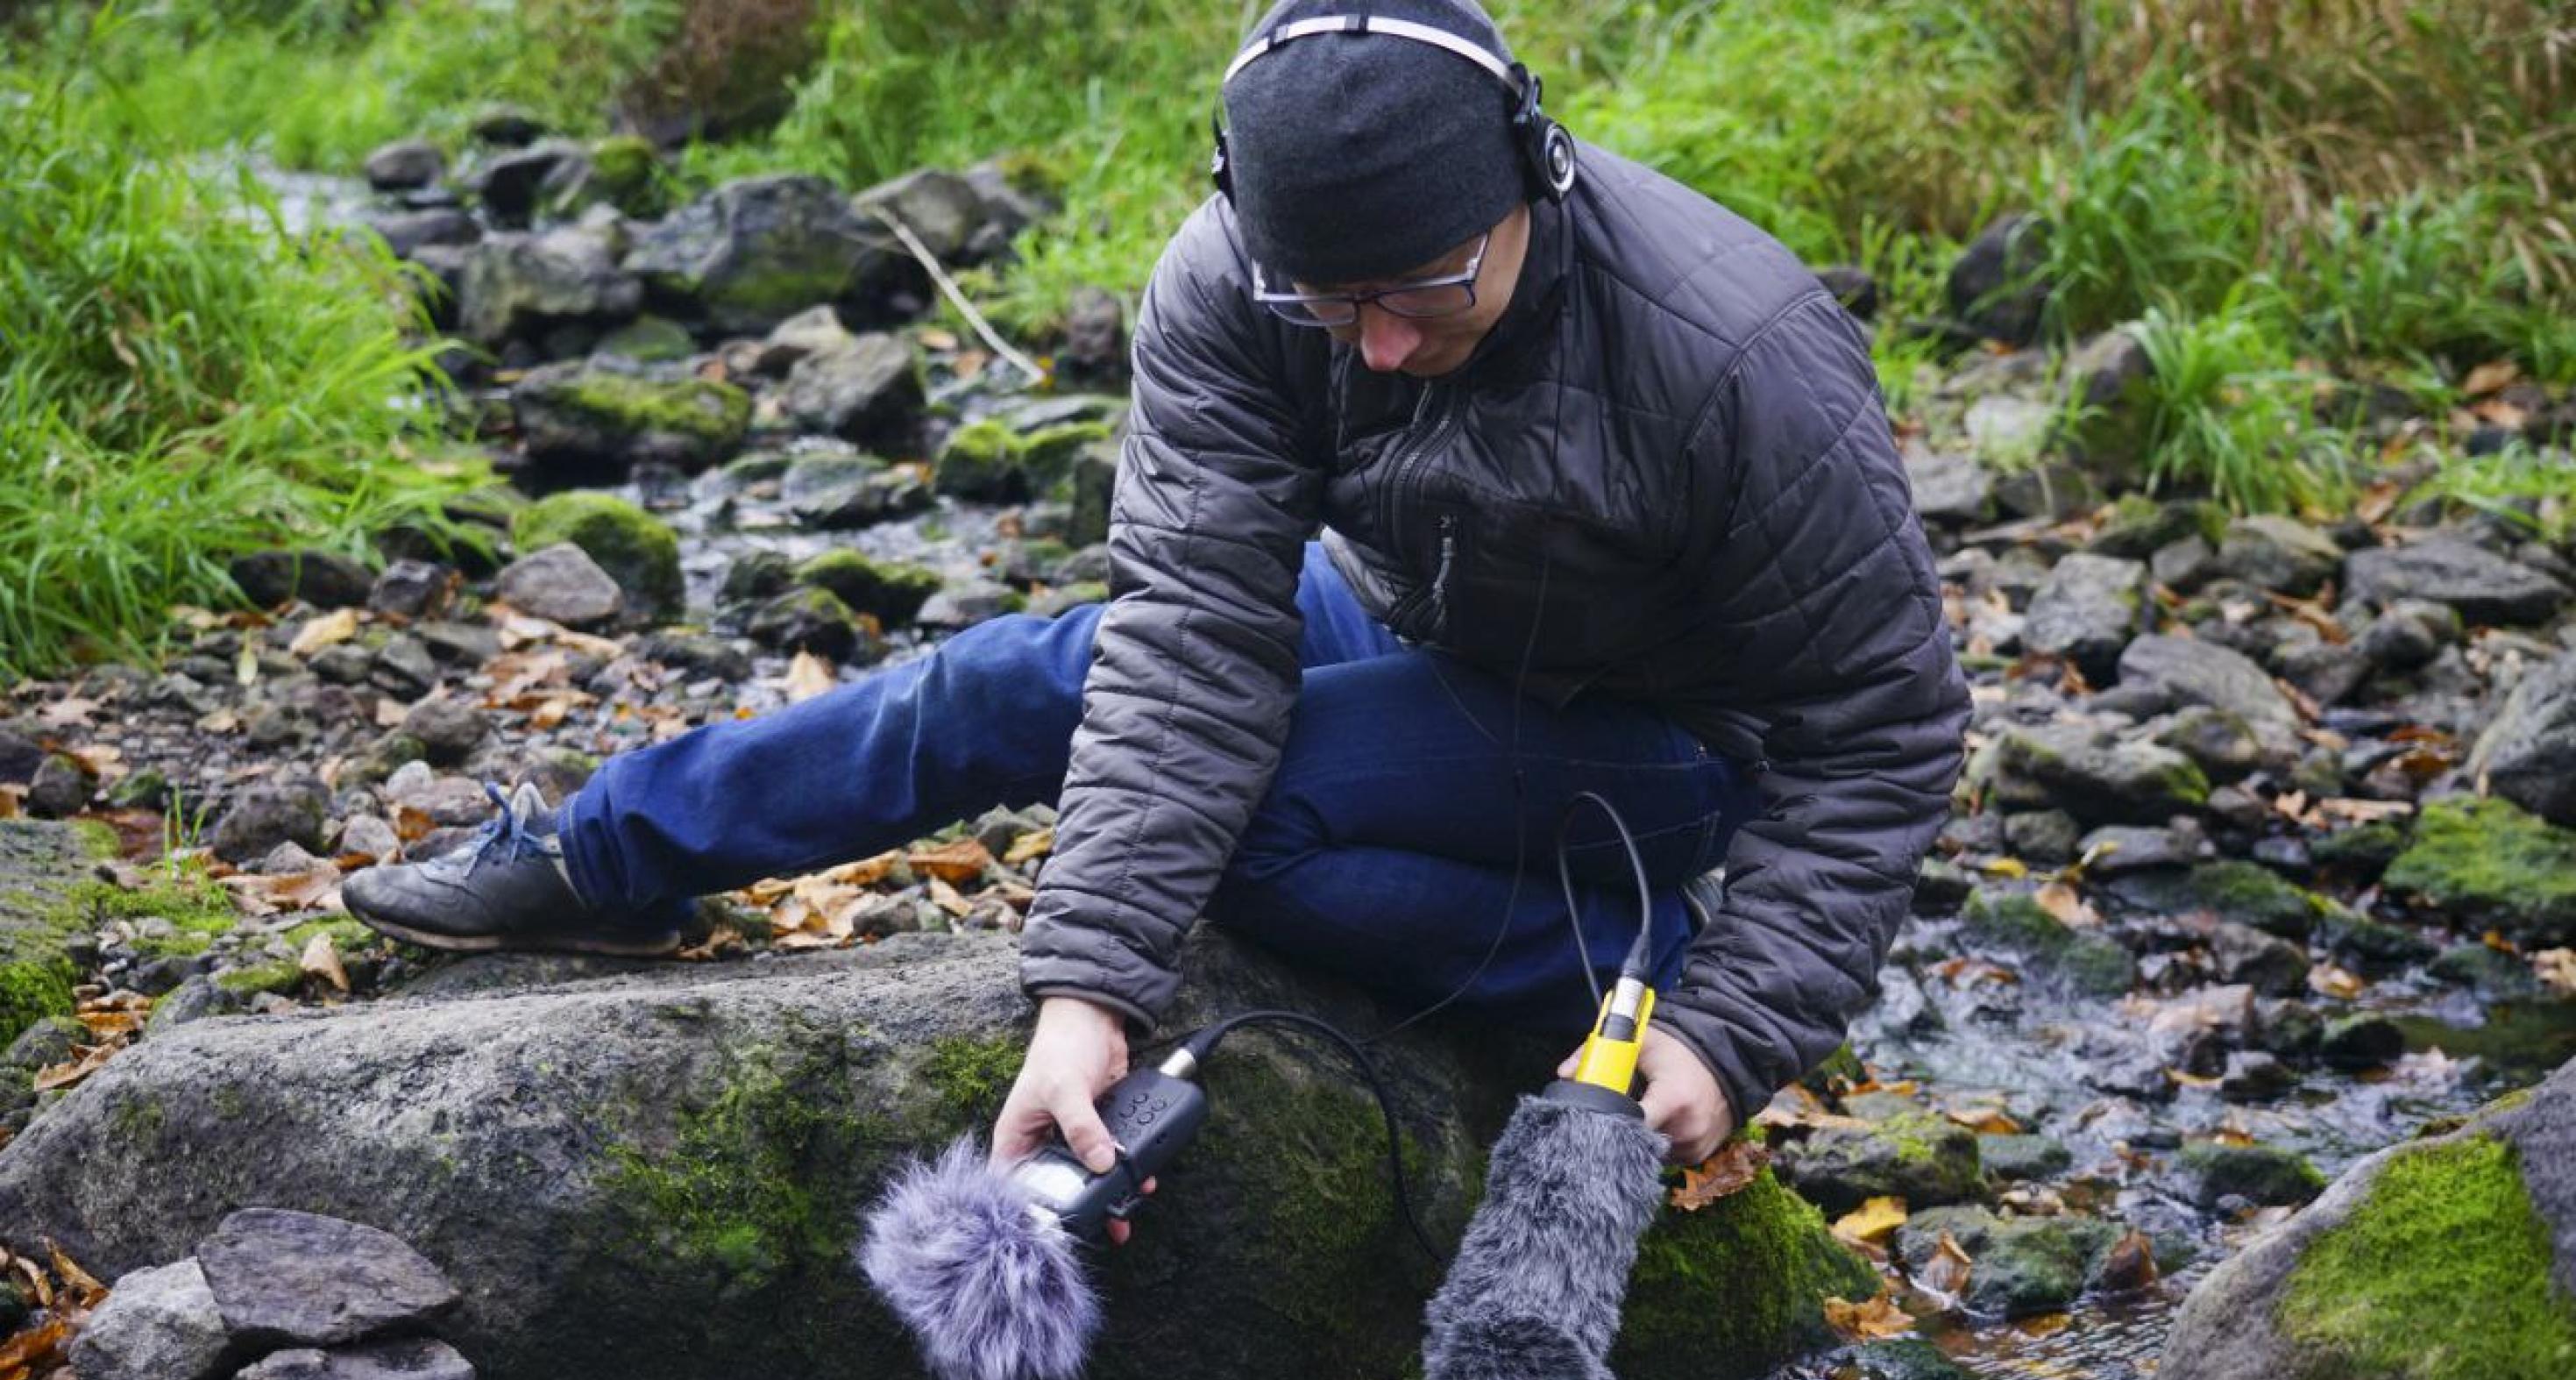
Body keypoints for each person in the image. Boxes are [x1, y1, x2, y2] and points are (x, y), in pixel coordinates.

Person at [345, 0, 1969, 1227]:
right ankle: (606, 858)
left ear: (1528, 182)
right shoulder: (1238, 281)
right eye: (1332, 307)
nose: (1378, 349)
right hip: (1420, 621)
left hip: (1664, 736)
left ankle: (1631, 955)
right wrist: (1088, 989)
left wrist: (1731, 1029)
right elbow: (1194, 636)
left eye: (1421, 294)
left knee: (1262, 829)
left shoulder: (1733, 353)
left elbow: (1881, 733)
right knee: (1020, 677)